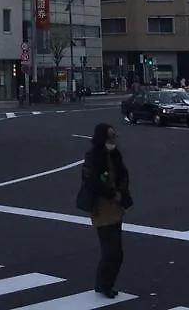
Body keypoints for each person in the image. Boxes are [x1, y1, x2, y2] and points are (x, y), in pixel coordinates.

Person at [78, 122, 132, 299]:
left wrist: (121, 191)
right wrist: (111, 193)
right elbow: (91, 181)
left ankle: (106, 283)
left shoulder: (114, 154)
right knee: (111, 249)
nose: (113, 140)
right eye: (110, 137)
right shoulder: (93, 157)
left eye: (114, 136)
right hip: (101, 206)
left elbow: (123, 173)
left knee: (118, 251)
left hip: (115, 206)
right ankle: (103, 284)